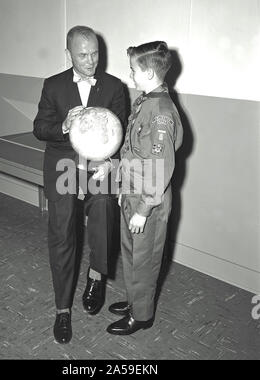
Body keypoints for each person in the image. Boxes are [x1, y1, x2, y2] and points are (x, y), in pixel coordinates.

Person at [33, 26, 126, 344]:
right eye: (83, 54)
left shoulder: (114, 87)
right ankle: (62, 310)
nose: (91, 61)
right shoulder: (53, 85)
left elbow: (121, 135)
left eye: (96, 53)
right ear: (68, 54)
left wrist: (111, 162)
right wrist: (62, 125)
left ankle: (97, 274)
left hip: (98, 167)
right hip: (62, 165)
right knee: (62, 233)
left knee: (104, 209)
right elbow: (39, 128)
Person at [107, 41, 183, 335]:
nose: (130, 76)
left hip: (148, 200)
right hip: (133, 192)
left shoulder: (161, 110)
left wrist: (143, 208)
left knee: (145, 258)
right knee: (131, 253)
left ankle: (142, 315)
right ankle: (133, 300)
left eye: (134, 70)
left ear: (150, 72)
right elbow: (133, 151)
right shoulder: (146, 101)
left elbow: (160, 165)